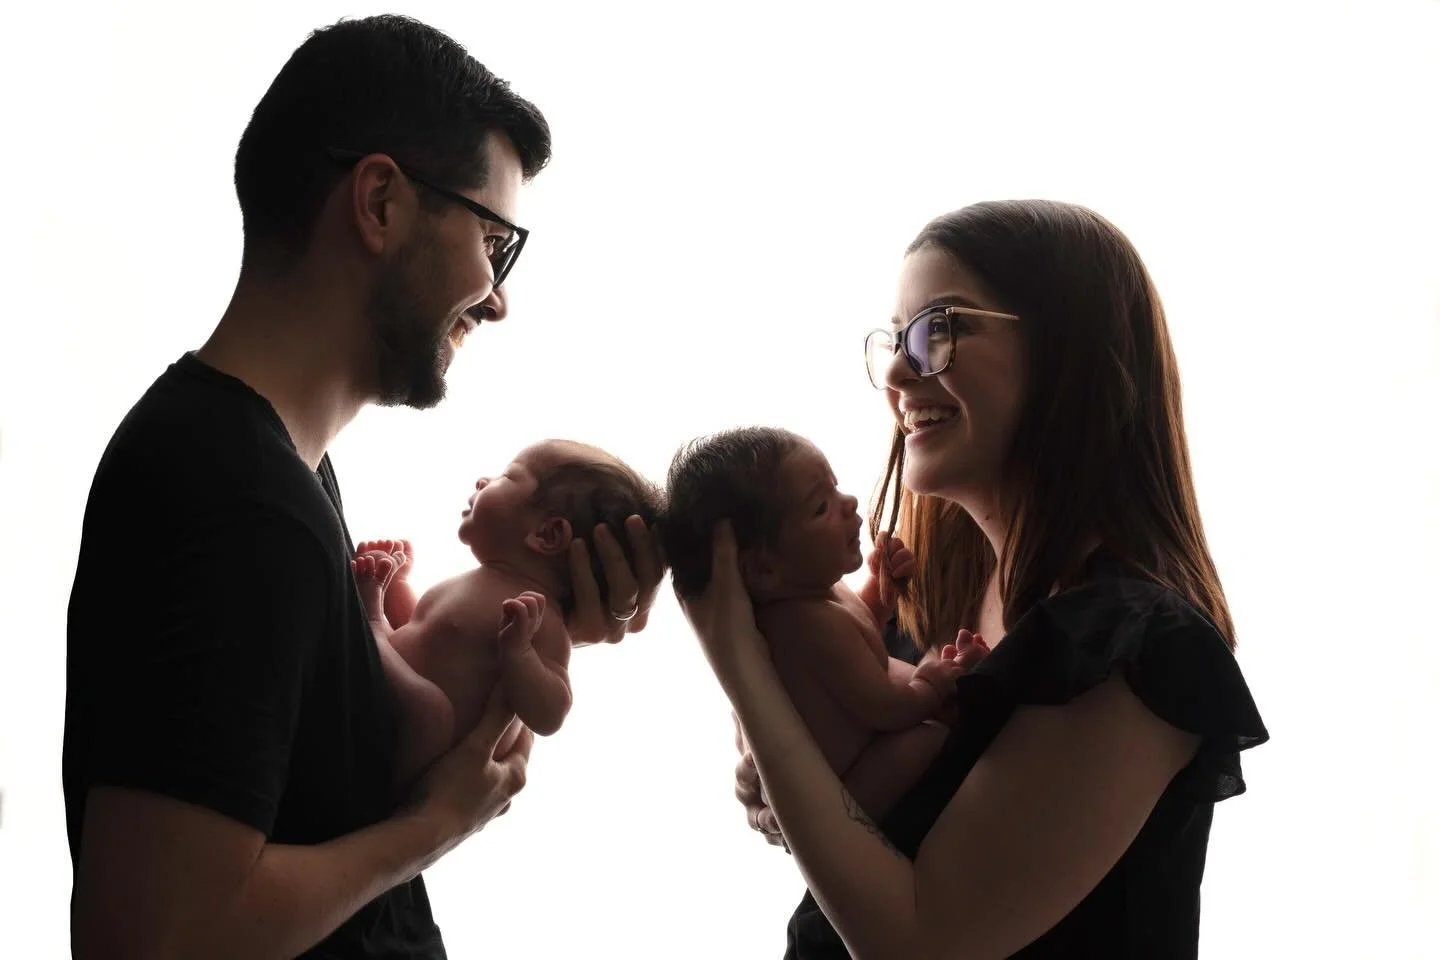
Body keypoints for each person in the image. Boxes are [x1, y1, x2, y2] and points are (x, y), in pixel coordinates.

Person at [62, 16, 663, 960]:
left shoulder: (283, 473)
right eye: (495, 241)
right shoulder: (234, 495)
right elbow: (155, 939)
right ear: (380, 202)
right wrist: (440, 823)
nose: (500, 296)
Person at [684, 199, 1269, 958]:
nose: (896, 372)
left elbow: (918, 944)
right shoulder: (923, 609)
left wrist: (735, 657)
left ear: (1070, 355)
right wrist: (781, 776)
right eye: (896, 340)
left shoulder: (1132, 648)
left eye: (939, 331)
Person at [664, 426, 987, 821]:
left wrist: (882, 594)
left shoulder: (816, 594)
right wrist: (935, 681)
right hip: (850, 792)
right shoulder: (803, 626)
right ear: (765, 570)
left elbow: (861, 631)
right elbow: (885, 707)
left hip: (861, 757)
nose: (849, 502)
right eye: (821, 507)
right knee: (930, 738)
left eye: (835, 488)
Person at [351, 440, 664, 786]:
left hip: (410, 759)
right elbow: (419, 632)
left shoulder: (538, 618)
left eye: (507, 477)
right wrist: (397, 583)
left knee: (431, 712)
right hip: (380, 715)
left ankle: (371, 624)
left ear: (547, 534)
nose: (484, 480)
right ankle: (374, 623)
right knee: (422, 701)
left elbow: (550, 714)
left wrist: (520, 652)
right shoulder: (475, 581)